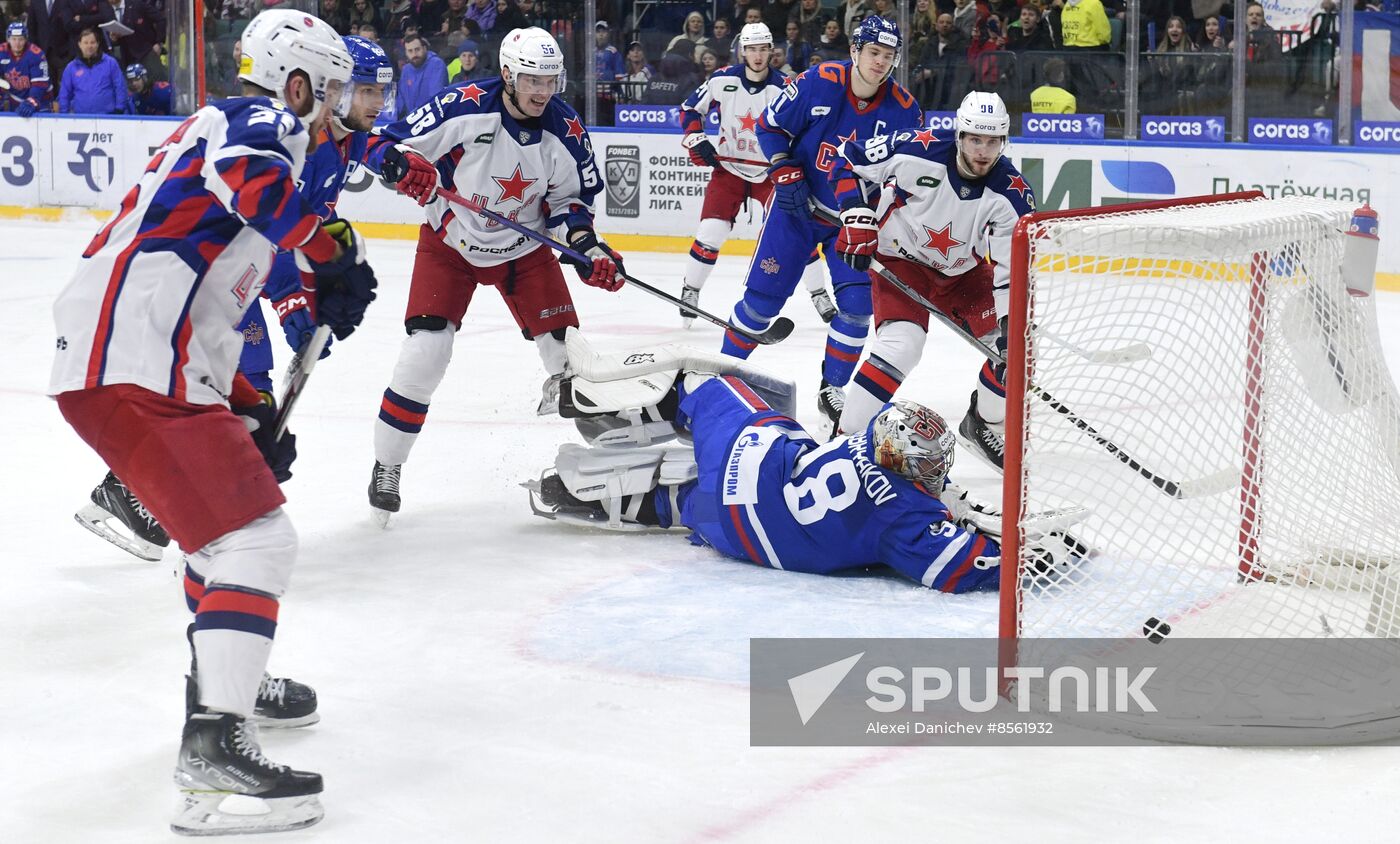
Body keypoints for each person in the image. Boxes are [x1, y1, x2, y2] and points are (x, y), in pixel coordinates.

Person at [49, 10, 377, 835]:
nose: (337, 108)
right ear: (296, 82)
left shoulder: (244, 136)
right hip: (131, 355)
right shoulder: (254, 118)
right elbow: (261, 190)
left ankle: (224, 678)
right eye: (331, 90)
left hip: (153, 353)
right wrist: (328, 247)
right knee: (257, 540)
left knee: (219, 534)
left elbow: (215, 283)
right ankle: (214, 745)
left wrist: (249, 402)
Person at [526, 340, 1077, 590]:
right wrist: (1030, 560)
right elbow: (964, 568)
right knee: (695, 503)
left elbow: (922, 500)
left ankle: (601, 406)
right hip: (744, 534)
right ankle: (576, 493)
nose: (934, 473)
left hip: (757, 460)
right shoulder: (905, 517)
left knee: (714, 385)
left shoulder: (873, 445)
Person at [361, 26, 623, 525]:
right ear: (507, 74)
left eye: (551, 80)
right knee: (425, 354)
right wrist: (404, 167)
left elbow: (573, 204)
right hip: (450, 242)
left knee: (568, 357)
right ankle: (387, 465)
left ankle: (614, 460)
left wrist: (588, 248)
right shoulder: (464, 105)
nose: (543, 92)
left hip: (524, 250)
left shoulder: (564, 131)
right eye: (532, 80)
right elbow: (383, 143)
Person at [722, 16, 922, 435]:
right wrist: (782, 169)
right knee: (760, 305)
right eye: (874, 53)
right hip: (795, 211)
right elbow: (770, 127)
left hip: (852, 224)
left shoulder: (905, 110)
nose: (880, 63)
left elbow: (903, 181)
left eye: (888, 56)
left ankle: (832, 387)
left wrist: (876, 218)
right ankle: (722, 378)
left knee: (857, 308)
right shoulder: (820, 81)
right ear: (855, 51)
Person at [827, 91, 1035, 472]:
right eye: (975, 139)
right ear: (959, 135)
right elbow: (846, 159)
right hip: (901, 261)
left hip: (962, 276)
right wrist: (857, 214)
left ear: (1004, 142)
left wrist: (1009, 329)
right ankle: (843, 440)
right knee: (903, 345)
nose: (983, 150)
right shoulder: (915, 150)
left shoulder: (1012, 196)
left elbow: (1011, 273)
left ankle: (983, 424)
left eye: (993, 141)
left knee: (1017, 351)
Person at [678, 23, 835, 331]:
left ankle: (819, 294)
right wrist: (697, 138)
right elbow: (689, 110)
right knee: (711, 232)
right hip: (730, 172)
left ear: (772, 51)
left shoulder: (786, 86)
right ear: (743, 51)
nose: (758, 55)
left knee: (797, 234)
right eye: (752, 49)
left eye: (763, 48)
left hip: (770, 174)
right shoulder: (722, 79)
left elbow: (803, 129)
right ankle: (690, 290)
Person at [57, 26, 127, 114]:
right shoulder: (71, 67)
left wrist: (120, 109)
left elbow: (120, 86)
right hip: (81, 119)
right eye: (86, 43)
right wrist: (64, 115)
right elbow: (64, 94)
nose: (89, 46)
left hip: (108, 118)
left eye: (92, 42)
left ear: (97, 44)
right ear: (79, 44)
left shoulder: (110, 63)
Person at [1, 21, 50, 115]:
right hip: (15, 100)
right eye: (14, 39)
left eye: (20, 39)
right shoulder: (1, 52)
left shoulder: (36, 54)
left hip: (40, 101)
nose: (17, 43)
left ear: (26, 39)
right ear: (8, 39)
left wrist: (32, 101)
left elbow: (40, 84)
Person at [395, 32, 447, 119]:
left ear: (424, 48)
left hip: (432, 119)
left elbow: (435, 99)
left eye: (417, 49)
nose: (414, 54)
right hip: (411, 121)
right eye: (410, 51)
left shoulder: (436, 64)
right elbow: (401, 101)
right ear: (406, 53)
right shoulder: (406, 69)